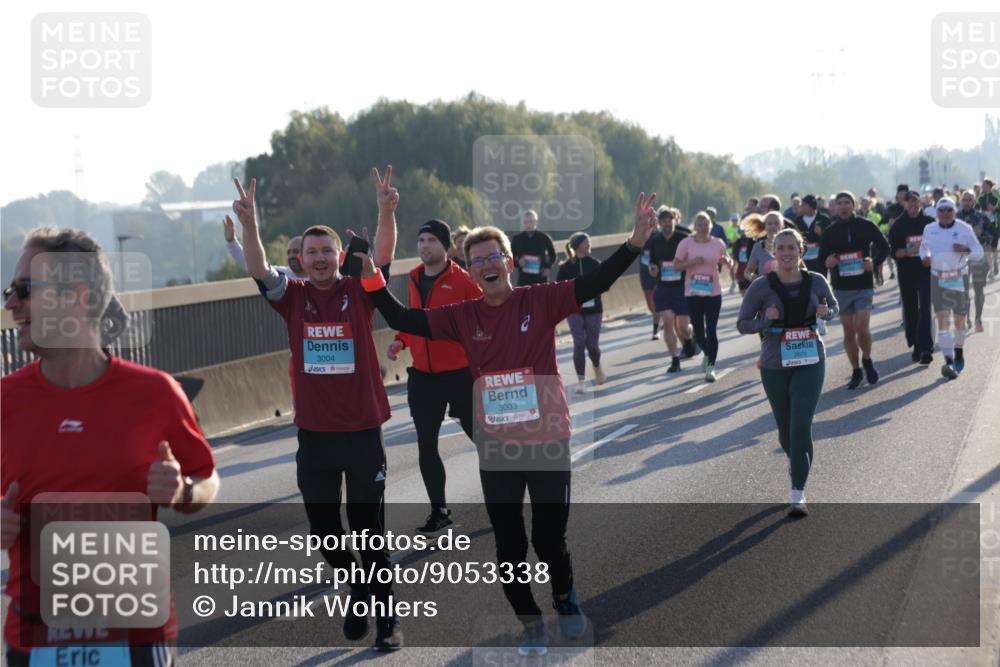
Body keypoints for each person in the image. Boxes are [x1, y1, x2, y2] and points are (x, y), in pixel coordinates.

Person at [355, 193, 659, 656]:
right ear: (471, 272)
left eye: (493, 256)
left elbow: (597, 280)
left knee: (549, 539)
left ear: (510, 263)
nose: (486, 265)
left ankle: (565, 597)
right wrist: (370, 276)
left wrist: (635, 242)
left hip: (547, 439)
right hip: (497, 447)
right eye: (477, 261)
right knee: (510, 547)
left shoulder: (542, 300)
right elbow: (402, 317)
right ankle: (529, 621)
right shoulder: (462, 316)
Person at [2, 227, 220, 666]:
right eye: (10, 291)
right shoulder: (5, 401)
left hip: (135, 637)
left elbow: (206, 477)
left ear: (76, 298)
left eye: (24, 290)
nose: (10, 304)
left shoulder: (155, 393)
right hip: (33, 638)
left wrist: (183, 491)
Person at [227, 169, 403, 651]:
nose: (320, 258)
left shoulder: (359, 290)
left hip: (363, 431)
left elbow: (383, 254)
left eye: (328, 251)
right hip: (316, 436)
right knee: (326, 532)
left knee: (368, 533)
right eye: (312, 253)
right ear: (301, 261)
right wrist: (250, 226)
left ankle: (387, 620)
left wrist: (386, 212)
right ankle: (357, 586)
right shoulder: (293, 298)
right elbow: (258, 268)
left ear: (339, 257)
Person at [386, 219, 482, 533]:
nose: (424, 245)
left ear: (446, 246)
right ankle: (439, 511)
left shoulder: (463, 280)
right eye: (421, 240)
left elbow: (484, 317)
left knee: (483, 440)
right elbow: (413, 319)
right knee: (426, 445)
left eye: (431, 240)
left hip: (460, 375)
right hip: (424, 378)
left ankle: (506, 495)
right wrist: (401, 340)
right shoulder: (414, 277)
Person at [737, 228, 839, 517]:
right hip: (774, 363)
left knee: (800, 425)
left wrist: (826, 313)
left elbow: (833, 306)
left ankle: (797, 492)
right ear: (773, 252)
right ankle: (797, 462)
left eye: (792, 247)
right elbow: (742, 323)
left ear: (801, 251)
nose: (786, 253)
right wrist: (764, 322)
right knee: (785, 430)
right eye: (781, 248)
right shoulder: (761, 286)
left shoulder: (816, 280)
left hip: (810, 359)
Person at [818, 191, 891, 389]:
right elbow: (821, 259)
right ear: (835, 207)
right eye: (839, 203)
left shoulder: (866, 225)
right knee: (849, 331)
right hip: (841, 288)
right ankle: (856, 370)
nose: (843, 206)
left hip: (863, 285)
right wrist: (827, 262)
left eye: (847, 203)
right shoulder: (830, 231)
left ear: (854, 205)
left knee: (862, 328)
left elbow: (885, 247)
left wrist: (874, 263)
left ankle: (867, 359)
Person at [920, 198, 985, 379]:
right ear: (937, 212)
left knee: (959, 321)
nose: (945, 213)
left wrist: (966, 250)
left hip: (958, 277)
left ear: (954, 211)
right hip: (937, 278)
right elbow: (924, 249)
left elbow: (979, 253)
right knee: (943, 320)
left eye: (949, 210)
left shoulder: (965, 228)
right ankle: (949, 361)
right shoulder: (929, 229)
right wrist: (924, 257)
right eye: (942, 210)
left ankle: (959, 351)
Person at [672, 212, 733, 382]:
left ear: (710, 226)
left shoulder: (717, 243)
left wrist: (728, 262)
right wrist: (691, 262)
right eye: (699, 225)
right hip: (693, 293)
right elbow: (676, 266)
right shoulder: (686, 243)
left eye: (706, 224)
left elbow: (728, 260)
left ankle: (711, 367)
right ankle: (706, 352)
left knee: (711, 329)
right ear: (694, 226)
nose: (703, 228)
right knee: (699, 332)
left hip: (713, 292)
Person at [648, 206, 697, 373]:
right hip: (663, 288)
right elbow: (652, 262)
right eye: (664, 221)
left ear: (675, 221)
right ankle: (674, 359)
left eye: (670, 220)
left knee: (683, 327)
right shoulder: (655, 241)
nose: (667, 223)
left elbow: (692, 259)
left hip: (681, 288)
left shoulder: (683, 239)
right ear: (660, 223)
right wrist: (653, 269)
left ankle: (689, 339)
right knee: (668, 322)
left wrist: (683, 266)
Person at [887, 191, 935, 364]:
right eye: (910, 202)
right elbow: (894, 252)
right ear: (905, 204)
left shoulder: (929, 223)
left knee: (925, 309)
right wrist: (909, 251)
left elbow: (938, 246)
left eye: (916, 202)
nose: (913, 205)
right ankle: (916, 344)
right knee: (911, 310)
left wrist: (931, 257)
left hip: (926, 272)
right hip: (907, 273)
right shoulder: (898, 226)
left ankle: (926, 348)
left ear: (920, 203)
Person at [557, 233, 606, 392]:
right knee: (579, 343)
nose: (589, 244)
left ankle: (597, 366)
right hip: (574, 310)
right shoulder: (565, 267)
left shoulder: (595, 264)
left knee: (592, 345)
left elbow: (604, 284)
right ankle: (581, 381)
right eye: (586, 242)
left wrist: (594, 289)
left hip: (594, 309)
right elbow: (559, 288)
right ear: (577, 246)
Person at [958, 191, 996, 331]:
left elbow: (993, 234)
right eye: (964, 200)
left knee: (978, 289)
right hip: (961, 258)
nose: (967, 202)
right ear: (961, 201)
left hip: (979, 257)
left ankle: (978, 319)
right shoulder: (956, 218)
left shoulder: (982, 217)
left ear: (974, 201)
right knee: (963, 291)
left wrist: (982, 234)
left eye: (969, 199)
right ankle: (966, 317)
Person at [225, 221, 306, 280]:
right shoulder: (282, 275)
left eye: (296, 251)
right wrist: (232, 242)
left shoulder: (314, 279)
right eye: (288, 252)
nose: (291, 256)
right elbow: (254, 266)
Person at [510, 210, 557, 286]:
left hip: (541, 279)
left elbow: (553, 255)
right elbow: (511, 258)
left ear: (536, 222)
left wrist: (548, 267)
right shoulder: (516, 239)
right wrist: (518, 262)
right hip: (524, 279)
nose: (528, 224)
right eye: (525, 222)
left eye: (531, 222)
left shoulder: (544, 237)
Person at [743, 212, 783, 282]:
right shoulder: (758, 247)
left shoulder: (790, 245)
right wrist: (752, 277)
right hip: (765, 287)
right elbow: (748, 271)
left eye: (776, 223)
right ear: (765, 227)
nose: (773, 226)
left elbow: (801, 267)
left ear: (782, 226)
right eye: (770, 223)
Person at [639, 233, 660, 339]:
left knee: (656, 299)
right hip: (645, 272)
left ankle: (655, 329)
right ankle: (658, 317)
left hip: (657, 271)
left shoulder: (660, 236)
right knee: (649, 302)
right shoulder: (640, 235)